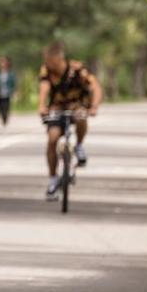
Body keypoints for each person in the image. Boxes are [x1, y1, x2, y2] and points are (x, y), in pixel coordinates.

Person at [37, 42, 103, 200]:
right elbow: (44, 87)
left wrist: (94, 106)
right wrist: (41, 105)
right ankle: (53, 180)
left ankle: (79, 145)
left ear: (59, 59)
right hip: (56, 108)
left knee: (81, 115)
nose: (47, 64)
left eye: (50, 61)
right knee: (52, 138)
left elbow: (95, 87)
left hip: (76, 106)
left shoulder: (77, 69)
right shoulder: (46, 71)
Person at [0, 56, 16, 127]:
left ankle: (5, 118)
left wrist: (14, 92)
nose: (3, 64)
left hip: (7, 93)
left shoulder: (10, 74)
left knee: (6, 107)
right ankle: (2, 116)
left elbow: (13, 84)